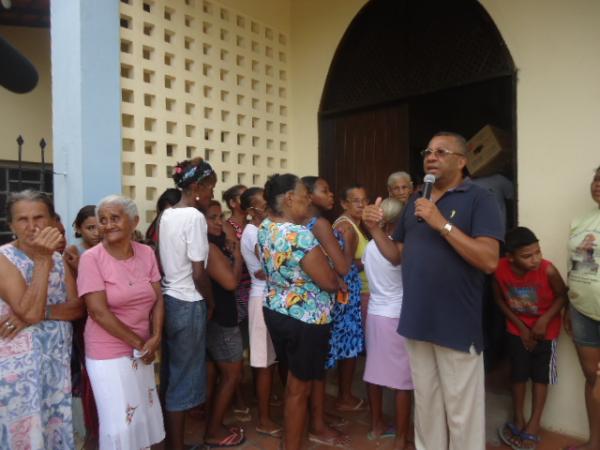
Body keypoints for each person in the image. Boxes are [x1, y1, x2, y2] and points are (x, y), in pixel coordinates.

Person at [363, 131, 504, 449]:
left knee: (461, 412)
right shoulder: (416, 201)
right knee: (426, 405)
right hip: (417, 320)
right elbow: (397, 255)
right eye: (428, 151)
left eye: (441, 151)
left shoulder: (480, 198)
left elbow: (489, 260)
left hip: (456, 322)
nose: (431, 156)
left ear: (462, 161)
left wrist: (442, 224)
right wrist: (373, 229)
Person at [257, 173, 340, 450]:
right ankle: (291, 444)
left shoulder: (265, 227)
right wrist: (334, 277)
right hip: (306, 318)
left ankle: (295, 438)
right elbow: (328, 281)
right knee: (298, 388)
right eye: (305, 196)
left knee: (292, 379)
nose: (308, 201)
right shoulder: (300, 235)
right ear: (289, 199)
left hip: (277, 310)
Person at [77, 195, 165, 450]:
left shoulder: (146, 252)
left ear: (134, 221)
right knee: (120, 423)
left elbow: (158, 299)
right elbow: (98, 312)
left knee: (143, 418)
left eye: (115, 218)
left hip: (143, 349)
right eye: (103, 220)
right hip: (108, 353)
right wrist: (142, 344)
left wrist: (156, 335)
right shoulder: (91, 259)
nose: (107, 225)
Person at [0, 190, 84, 449]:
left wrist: (42, 313)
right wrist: (41, 259)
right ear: (11, 224)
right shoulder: (4, 259)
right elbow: (30, 313)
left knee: (51, 426)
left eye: (39, 217)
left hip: (54, 364)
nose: (32, 225)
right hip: (18, 368)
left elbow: (77, 307)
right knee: (23, 430)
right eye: (22, 219)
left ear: (51, 220)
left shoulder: (58, 259)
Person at [158, 157, 216, 450]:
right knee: (184, 378)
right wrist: (211, 301)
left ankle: (173, 443)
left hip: (170, 300)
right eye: (210, 189)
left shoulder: (167, 215)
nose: (212, 196)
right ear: (195, 187)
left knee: (172, 372)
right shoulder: (193, 217)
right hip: (189, 301)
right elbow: (198, 271)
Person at [494, 227, 567, 450]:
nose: (535, 259)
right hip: (517, 330)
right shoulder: (498, 269)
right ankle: (519, 419)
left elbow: (563, 295)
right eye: (527, 256)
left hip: (547, 332)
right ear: (510, 257)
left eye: (538, 252)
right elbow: (499, 301)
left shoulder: (548, 271)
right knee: (518, 375)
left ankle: (534, 424)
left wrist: (544, 320)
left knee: (540, 377)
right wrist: (521, 328)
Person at [301, 176, 352, 447]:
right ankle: (317, 425)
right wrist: (345, 242)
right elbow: (344, 266)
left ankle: (316, 416)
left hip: (301, 302)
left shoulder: (295, 224)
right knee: (318, 368)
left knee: (308, 368)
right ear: (308, 196)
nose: (330, 194)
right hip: (321, 301)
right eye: (325, 190)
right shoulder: (320, 224)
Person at [362, 198, 414, 450]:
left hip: (375, 314)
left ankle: (376, 425)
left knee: (375, 373)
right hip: (395, 315)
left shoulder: (372, 245)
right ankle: (401, 437)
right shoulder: (398, 248)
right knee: (402, 382)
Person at [239, 187, 282, 438]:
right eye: (262, 206)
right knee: (264, 363)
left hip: (270, 297)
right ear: (250, 211)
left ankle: (268, 410)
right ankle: (263, 419)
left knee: (271, 360)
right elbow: (268, 268)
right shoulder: (253, 233)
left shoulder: (264, 230)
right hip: (261, 299)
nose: (267, 210)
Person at [204, 200, 246, 447]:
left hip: (217, 317)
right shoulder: (209, 248)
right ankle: (213, 430)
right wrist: (238, 256)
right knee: (232, 375)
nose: (220, 222)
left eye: (220, 216)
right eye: (213, 217)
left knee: (217, 374)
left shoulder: (215, 245)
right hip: (222, 320)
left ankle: (214, 423)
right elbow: (231, 282)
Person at [564, 166, 600, 450]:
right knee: (593, 381)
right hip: (582, 310)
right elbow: (575, 266)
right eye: (597, 179)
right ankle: (594, 442)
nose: (598, 184)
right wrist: (567, 303)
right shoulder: (581, 220)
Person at [331, 184, 369, 412]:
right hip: (349, 292)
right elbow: (343, 265)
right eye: (357, 201)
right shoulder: (347, 228)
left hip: (349, 291)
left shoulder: (351, 225)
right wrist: (372, 260)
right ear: (345, 204)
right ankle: (345, 396)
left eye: (364, 200)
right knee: (349, 345)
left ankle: (344, 393)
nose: (362, 205)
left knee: (348, 343)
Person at [222, 184, 252, 422]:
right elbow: (236, 253)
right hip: (238, 292)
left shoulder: (253, 224)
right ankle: (239, 397)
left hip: (255, 290)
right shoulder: (228, 225)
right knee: (238, 346)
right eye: (243, 197)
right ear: (232, 203)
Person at [64, 205, 101, 274]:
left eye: (99, 227)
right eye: (90, 228)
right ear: (78, 229)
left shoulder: (107, 247)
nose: (97, 233)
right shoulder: (73, 251)